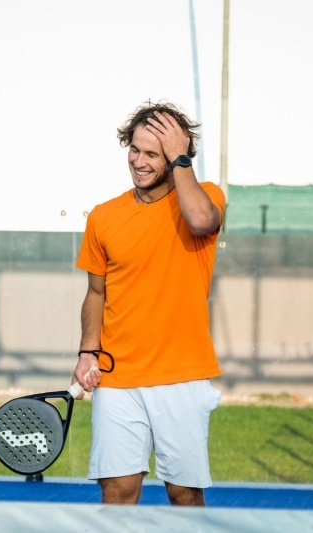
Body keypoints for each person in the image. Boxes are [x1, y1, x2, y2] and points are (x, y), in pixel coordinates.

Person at [73, 101, 225, 506]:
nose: (138, 162)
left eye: (152, 154)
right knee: (118, 491)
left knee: (184, 493)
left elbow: (200, 221)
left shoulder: (206, 197)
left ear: (177, 157)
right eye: (135, 149)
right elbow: (96, 293)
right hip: (117, 375)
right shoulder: (104, 217)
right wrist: (88, 350)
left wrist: (179, 157)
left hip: (182, 375)